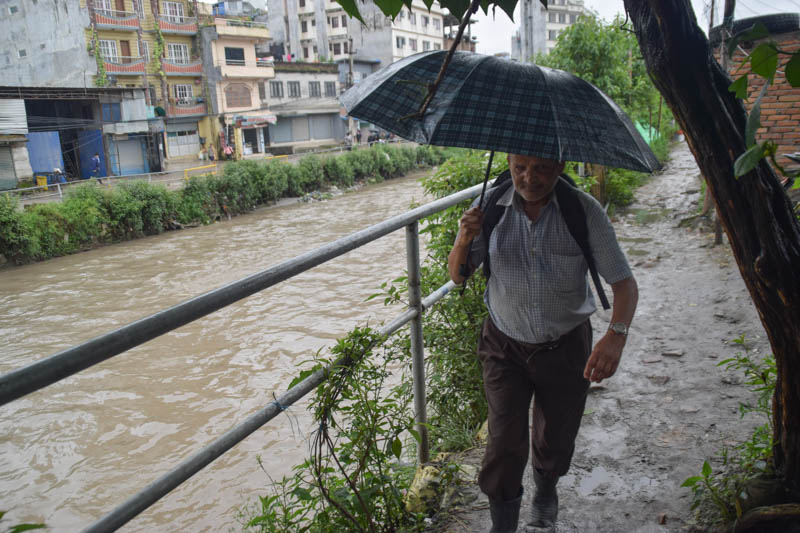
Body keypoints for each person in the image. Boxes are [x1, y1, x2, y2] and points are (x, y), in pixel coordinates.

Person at [447, 153, 638, 532]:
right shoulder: (488, 207)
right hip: (504, 344)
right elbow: (458, 275)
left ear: (561, 167)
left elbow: (624, 283)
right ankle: (503, 524)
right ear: (508, 161)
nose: (528, 178)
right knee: (503, 443)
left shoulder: (583, 211)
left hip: (566, 345)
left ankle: (546, 490)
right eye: (520, 167)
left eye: (541, 169)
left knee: (556, 436)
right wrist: (465, 237)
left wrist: (615, 336)